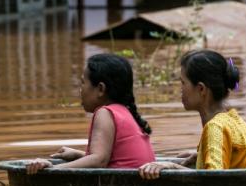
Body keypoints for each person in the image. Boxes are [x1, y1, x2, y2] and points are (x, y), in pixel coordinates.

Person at [138, 49, 246, 179]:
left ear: (201, 89)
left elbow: (212, 180)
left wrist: (172, 167)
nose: (180, 89)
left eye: (183, 83)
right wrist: (201, 154)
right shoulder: (233, 118)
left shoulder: (215, 128)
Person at [26, 53, 155, 173]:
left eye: (83, 83)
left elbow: (99, 161)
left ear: (100, 89)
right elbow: (114, 158)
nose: (80, 90)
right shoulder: (124, 112)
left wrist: (53, 168)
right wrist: (79, 154)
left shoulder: (105, 113)